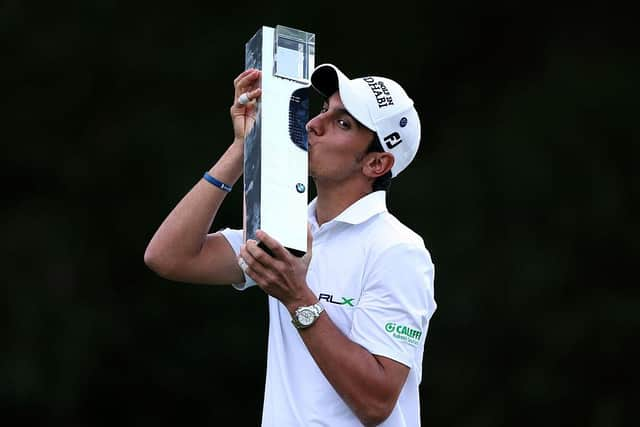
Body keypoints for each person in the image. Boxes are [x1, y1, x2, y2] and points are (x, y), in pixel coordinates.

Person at [144, 63, 437, 426]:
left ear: (377, 163)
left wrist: (298, 297)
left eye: (342, 123)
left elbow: (376, 404)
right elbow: (169, 256)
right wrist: (243, 147)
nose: (314, 125)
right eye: (324, 110)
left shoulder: (398, 249)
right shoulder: (289, 228)